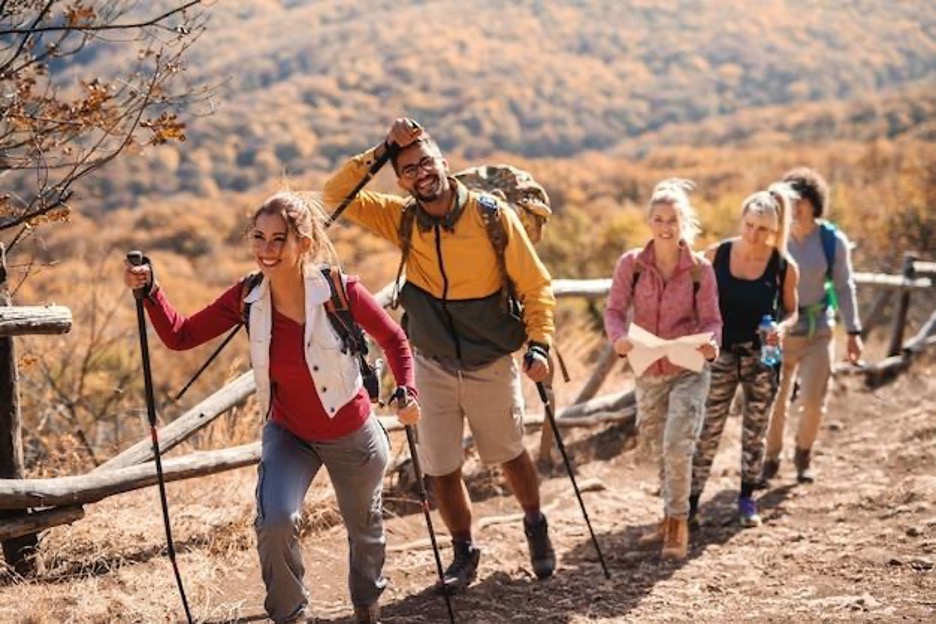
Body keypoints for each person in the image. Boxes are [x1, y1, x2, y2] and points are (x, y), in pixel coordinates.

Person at [123, 191, 419, 624]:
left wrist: (407, 391)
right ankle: (289, 614)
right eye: (259, 237)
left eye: (279, 239)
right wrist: (151, 290)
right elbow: (181, 336)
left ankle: (366, 610)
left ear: (305, 243)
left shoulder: (341, 290)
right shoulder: (247, 296)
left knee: (364, 531)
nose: (266, 249)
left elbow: (395, 339)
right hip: (290, 433)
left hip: (351, 432)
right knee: (275, 520)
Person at [322, 119, 556, 593]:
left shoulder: (492, 217)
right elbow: (334, 195)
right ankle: (464, 550)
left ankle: (534, 522)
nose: (420, 173)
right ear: (400, 179)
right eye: (408, 169)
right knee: (441, 466)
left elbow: (535, 286)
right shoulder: (402, 217)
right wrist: (384, 147)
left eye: (427, 162)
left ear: (445, 165)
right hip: (429, 360)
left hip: (489, 357)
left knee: (510, 454)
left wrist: (539, 343)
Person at [604, 179, 722, 560]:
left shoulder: (700, 270)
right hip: (647, 368)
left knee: (677, 444)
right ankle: (666, 518)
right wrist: (618, 338)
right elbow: (614, 311)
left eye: (673, 219)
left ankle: (678, 526)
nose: (666, 226)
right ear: (649, 222)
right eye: (658, 219)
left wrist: (712, 342)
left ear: (684, 221)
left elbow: (712, 320)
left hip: (688, 368)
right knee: (658, 446)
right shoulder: (632, 264)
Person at [689, 185, 800, 529]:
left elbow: (793, 312)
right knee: (707, 429)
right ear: (742, 220)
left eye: (763, 229)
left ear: (774, 231)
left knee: (755, 430)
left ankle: (747, 499)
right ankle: (690, 504)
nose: (754, 234)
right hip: (719, 356)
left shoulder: (783, 266)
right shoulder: (716, 254)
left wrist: (782, 328)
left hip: (761, 358)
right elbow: (695, 298)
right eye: (749, 225)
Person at [763, 168, 863, 485]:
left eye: (801, 200)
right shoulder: (772, 238)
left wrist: (853, 332)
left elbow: (845, 286)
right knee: (774, 401)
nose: (796, 207)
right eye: (790, 200)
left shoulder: (832, 241)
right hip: (779, 331)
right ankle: (770, 458)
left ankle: (803, 454)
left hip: (818, 328)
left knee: (813, 399)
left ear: (813, 203)